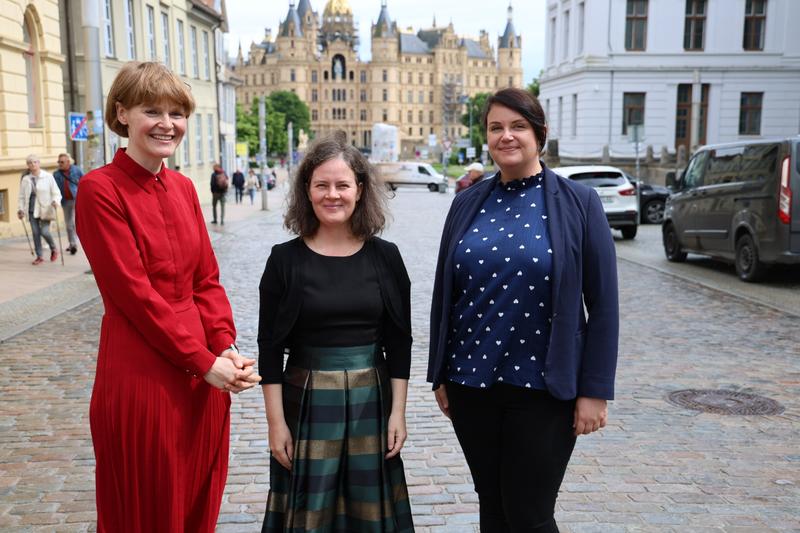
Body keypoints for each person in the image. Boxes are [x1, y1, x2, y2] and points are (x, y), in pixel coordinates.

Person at [74, 61, 260, 532]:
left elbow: (206, 279)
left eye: (177, 113)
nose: (167, 123)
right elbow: (134, 296)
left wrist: (225, 345)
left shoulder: (181, 186)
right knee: (146, 509)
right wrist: (202, 358)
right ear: (122, 114)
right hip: (143, 375)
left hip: (204, 377)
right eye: (151, 110)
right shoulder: (101, 190)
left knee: (197, 502)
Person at [427, 87, 619, 532]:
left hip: (543, 390)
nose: (506, 136)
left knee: (530, 514)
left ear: (540, 134)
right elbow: (445, 294)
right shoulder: (466, 203)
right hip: (472, 384)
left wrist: (595, 390)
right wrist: (440, 372)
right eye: (496, 127)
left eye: (518, 126)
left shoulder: (579, 203)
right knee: (492, 509)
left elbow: (604, 305)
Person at [258, 132, 414, 532]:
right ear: (306, 191)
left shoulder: (386, 258)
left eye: (342, 185)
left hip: (372, 400)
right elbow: (270, 351)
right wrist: (276, 424)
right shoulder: (283, 261)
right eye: (321, 185)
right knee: (312, 513)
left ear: (359, 190)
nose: (333, 195)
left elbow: (400, 342)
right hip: (307, 403)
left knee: (369, 513)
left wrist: (398, 412)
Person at [17, 154, 60, 265]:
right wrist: (20, 209)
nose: (33, 164)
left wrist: (55, 201)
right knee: (35, 233)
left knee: (44, 232)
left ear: (39, 163)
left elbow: (56, 192)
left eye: (35, 162)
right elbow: (21, 196)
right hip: (31, 210)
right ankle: (39, 256)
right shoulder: (26, 179)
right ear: (28, 165)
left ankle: (53, 248)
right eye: (30, 163)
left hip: (45, 208)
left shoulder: (48, 176)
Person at [53, 153, 84, 254]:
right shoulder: (56, 174)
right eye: (59, 162)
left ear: (68, 162)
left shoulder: (76, 170)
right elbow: (54, 189)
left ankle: (81, 242)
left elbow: (84, 181)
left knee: (77, 222)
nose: (60, 164)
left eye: (62, 162)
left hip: (77, 199)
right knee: (69, 224)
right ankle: (72, 244)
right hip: (65, 201)